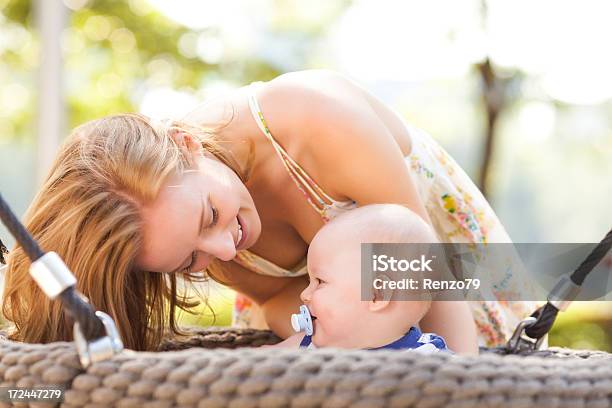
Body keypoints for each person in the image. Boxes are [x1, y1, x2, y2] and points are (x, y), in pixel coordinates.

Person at [2, 69, 534, 352]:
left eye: (209, 216)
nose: (223, 250)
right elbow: (280, 301)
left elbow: (425, 278)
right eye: (190, 262)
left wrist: (463, 382)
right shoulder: (197, 238)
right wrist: (325, 325)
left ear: (186, 142)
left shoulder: (317, 118)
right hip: (350, 332)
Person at [269, 204, 455, 353]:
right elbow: (255, 365)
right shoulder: (306, 346)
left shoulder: (429, 362)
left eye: (320, 281)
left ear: (376, 295)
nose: (305, 294)